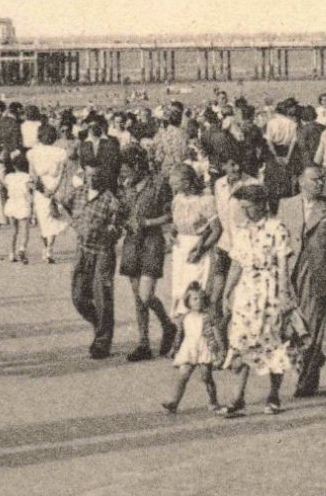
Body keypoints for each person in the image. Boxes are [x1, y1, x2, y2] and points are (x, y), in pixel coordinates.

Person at [221, 184, 299, 417]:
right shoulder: (242, 230)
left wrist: (284, 293)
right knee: (241, 341)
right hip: (247, 293)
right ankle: (237, 398)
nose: (245, 212)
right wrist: (227, 291)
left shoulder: (277, 228)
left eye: (248, 207)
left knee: (273, 342)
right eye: (242, 207)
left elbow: (284, 263)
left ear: (262, 204)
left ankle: (273, 395)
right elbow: (237, 262)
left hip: (270, 289)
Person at [281, 165, 326, 399]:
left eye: (323, 179)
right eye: (315, 179)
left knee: (313, 326)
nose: (321, 183)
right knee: (292, 326)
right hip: (291, 273)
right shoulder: (286, 205)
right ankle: (309, 364)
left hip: (319, 272)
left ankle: (306, 380)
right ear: (301, 181)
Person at [118, 150, 177, 361]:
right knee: (137, 297)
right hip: (132, 243)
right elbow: (123, 213)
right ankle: (143, 343)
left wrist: (149, 223)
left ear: (139, 167)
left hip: (152, 241)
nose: (125, 174)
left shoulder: (159, 185)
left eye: (128, 170)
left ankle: (167, 324)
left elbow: (172, 213)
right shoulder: (125, 187)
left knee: (145, 294)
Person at [71, 165, 126, 359]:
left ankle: (103, 341)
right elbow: (63, 206)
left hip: (103, 253)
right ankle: (99, 325)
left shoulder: (111, 200)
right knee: (78, 296)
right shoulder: (78, 194)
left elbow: (118, 226)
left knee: (102, 295)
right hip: (82, 251)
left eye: (96, 175)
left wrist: (109, 231)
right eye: (89, 175)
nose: (92, 179)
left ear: (102, 177)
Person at [162, 282, 225, 414]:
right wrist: (175, 349)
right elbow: (180, 335)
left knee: (206, 377)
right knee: (183, 375)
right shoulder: (185, 317)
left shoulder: (207, 317)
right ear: (188, 301)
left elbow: (216, 333)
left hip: (204, 348)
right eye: (195, 299)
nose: (198, 301)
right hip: (189, 349)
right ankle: (174, 402)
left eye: (201, 298)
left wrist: (220, 349)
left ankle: (213, 401)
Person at [168, 165, 221, 318]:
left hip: (198, 249)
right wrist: (173, 233)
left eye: (175, 183)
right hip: (180, 249)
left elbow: (216, 230)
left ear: (187, 182)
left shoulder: (206, 200)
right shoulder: (178, 199)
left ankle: (199, 335)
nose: (172, 186)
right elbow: (176, 223)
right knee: (178, 291)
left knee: (193, 291)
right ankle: (184, 334)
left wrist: (201, 250)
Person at [27, 123, 71, 263]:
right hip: (55, 189)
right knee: (54, 218)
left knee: (44, 220)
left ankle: (46, 248)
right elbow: (63, 173)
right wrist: (55, 189)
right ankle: (49, 250)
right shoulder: (60, 153)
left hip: (41, 190)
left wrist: (43, 189)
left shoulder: (33, 153)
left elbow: (33, 175)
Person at [1, 151, 35, 264]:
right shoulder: (27, 177)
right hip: (22, 204)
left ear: (14, 166)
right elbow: (31, 190)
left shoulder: (9, 177)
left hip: (11, 204)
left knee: (14, 230)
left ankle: (11, 253)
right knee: (25, 230)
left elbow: (5, 188)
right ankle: (22, 249)